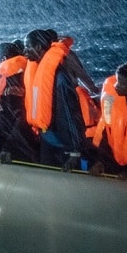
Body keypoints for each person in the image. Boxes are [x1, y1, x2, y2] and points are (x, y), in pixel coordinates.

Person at [24, 29, 86, 170]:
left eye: (27, 47)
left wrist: (75, 152)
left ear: (38, 47)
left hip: (62, 144)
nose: (25, 51)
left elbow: (70, 114)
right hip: (47, 138)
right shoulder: (40, 71)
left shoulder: (59, 78)